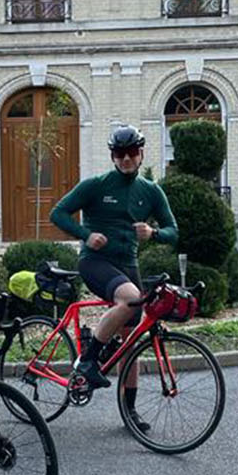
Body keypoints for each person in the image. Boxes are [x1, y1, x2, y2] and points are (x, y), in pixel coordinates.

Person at [50, 125, 179, 390]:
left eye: (132, 152)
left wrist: (153, 233)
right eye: (120, 153)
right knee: (131, 299)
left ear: (141, 153)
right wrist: (86, 235)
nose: (126, 158)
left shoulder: (151, 191)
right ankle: (88, 361)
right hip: (95, 262)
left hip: (129, 266)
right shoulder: (96, 186)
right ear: (113, 157)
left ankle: (130, 411)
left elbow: (173, 231)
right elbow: (58, 213)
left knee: (130, 341)